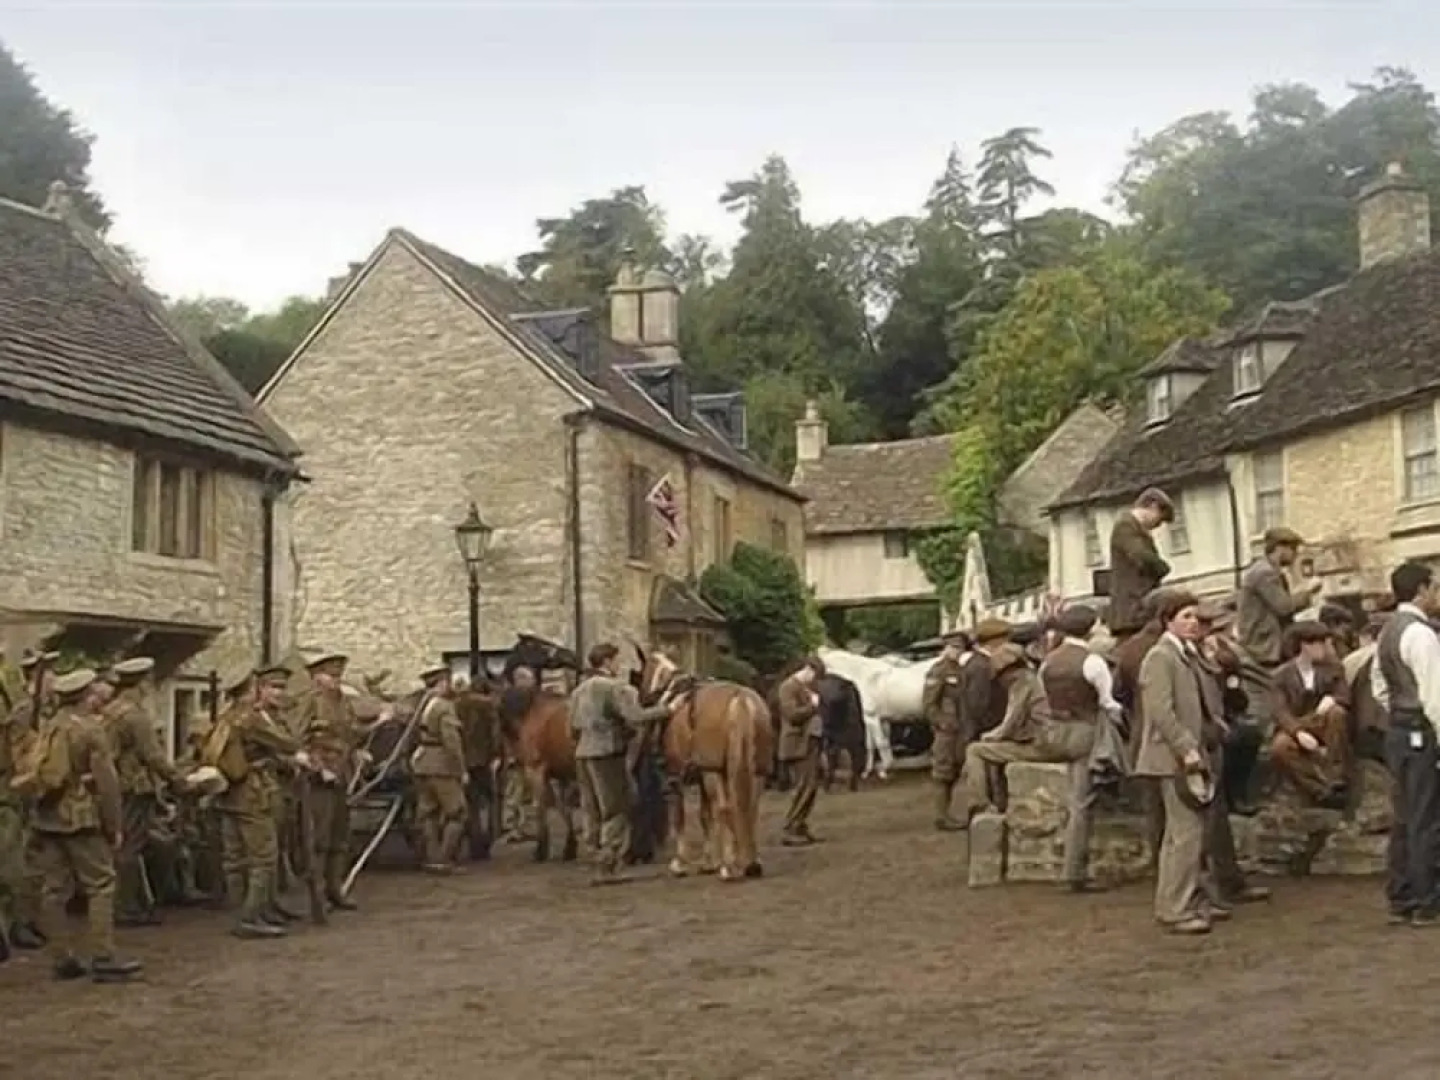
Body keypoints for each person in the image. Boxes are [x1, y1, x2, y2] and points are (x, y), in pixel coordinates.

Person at [13, 668, 140, 981]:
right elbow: (107, 783)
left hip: (48, 816)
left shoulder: (49, 726)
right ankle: (103, 955)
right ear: (85, 695)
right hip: (81, 816)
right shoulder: (90, 730)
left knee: (54, 888)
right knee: (101, 884)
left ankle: (61, 957)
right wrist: (115, 825)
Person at [1136, 590, 1216, 935]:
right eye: (1186, 616)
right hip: (1173, 757)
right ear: (1168, 620)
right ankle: (1177, 906)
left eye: (1195, 617)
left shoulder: (1185, 654)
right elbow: (1160, 710)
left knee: (1182, 833)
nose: (1194, 622)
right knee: (1185, 833)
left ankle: (1183, 899)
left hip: (1186, 752)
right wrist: (1186, 748)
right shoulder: (1160, 657)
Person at [1370, 561, 1440, 927]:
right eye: (1435, 587)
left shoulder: (1386, 632)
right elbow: (1434, 697)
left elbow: (1378, 685)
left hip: (1398, 730)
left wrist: (1397, 712)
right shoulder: (1421, 634)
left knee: (1403, 815)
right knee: (1425, 817)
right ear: (1421, 590)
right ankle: (1427, 900)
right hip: (1420, 731)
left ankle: (1402, 895)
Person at [209, 664, 301, 939]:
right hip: (252, 792)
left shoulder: (227, 717)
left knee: (234, 858)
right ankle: (250, 917)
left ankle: (244, 912)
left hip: (227, 793)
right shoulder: (250, 719)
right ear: (249, 692)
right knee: (264, 857)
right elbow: (287, 743)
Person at [568, 643, 672, 885]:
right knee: (617, 806)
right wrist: (667, 709)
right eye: (616, 660)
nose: (618, 665)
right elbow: (634, 717)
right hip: (607, 753)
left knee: (591, 807)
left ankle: (593, 854)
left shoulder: (578, 691)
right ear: (606, 662)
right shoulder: (612, 688)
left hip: (583, 753)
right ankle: (609, 863)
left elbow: (571, 727)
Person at [104, 656, 182, 927]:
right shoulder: (134, 715)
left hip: (118, 785)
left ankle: (135, 903)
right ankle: (126, 908)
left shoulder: (111, 710)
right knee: (129, 848)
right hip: (133, 786)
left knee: (128, 846)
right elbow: (152, 755)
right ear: (143, 683)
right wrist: (177, 779)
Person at [290, 651, 364, 912]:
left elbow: (350, 733)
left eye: (338, 675)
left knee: (340, 836)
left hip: (342, 773)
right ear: (315, 677)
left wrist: (358, 749)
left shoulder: (343, 702)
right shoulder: (309, 702)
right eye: (330, 675)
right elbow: (296, 741)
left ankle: (336, 889)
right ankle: (317, 895)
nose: (335, 680)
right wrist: (317, 767)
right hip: (318, 779)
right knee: (318, 838)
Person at [1269, 621, 1352, 807]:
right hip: (1298, 722)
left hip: (1323, 720)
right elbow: (1280, 711)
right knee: (1280, 747)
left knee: (1337, 713)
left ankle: (1337, 778)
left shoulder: (1333, 668)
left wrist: (1333, 699)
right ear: (1304, 646)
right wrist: (1298, 732)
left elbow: (1344, 694)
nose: (1324, 647)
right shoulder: (1280, 676)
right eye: (1319, 642)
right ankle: (1319, 789)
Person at [1236, 527, 1324, 669]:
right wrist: (1309, 590)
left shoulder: (1268, 571)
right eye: (1293, 549)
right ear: (1280, 548)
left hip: (1268, 646)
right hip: (1264, 648)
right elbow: (1284, 607)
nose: (1295, 555)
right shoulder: (1264, 573)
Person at [411, 665, 468, 874]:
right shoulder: (444, 707)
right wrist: (461, 770)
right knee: (457, 812)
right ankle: (444, 860)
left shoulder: (423, 705)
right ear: (441, 683)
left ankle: (431, 857)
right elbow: (451, 741)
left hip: (422, 764)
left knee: (428, 813)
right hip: (441, 766)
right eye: (447, 681)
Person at [1105, 488, 1174, 642]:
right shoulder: (1126, 526)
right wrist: (1163, 568)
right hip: (1132, 610)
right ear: (1153, 506)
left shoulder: (1132, 528)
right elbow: (1142, 556)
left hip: (1138, 608)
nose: (1158, 525)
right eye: (1160, 519)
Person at [777, 657, 826, 846]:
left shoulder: (805, 688)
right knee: (803, 787)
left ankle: (800, 825)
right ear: (807, 669)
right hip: (797, 745)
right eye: (814, 675)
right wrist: (812, 706)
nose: (815, 680)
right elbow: (791, 715)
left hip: (809, 744)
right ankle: (790, 827)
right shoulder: (788, 687)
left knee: (810, 787)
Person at [923, 632, 969, 831]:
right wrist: (940, 723)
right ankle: (941, 817)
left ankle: (946, 813)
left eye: (959, 648)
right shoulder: (938, 671)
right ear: (945, 648)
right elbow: (929, 704)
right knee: (942, 772)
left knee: (953, 772)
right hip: (946, 731)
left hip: (958, 729)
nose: (956, 651)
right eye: (952, 647)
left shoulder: (959, 670)